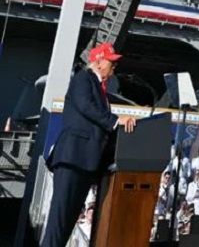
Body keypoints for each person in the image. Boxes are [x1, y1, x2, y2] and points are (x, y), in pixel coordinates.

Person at [41, 42, 136, 247]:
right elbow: (86, 106)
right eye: (111, 62)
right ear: (99, 62)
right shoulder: (83, 79)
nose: (114, 67)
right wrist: (115, 121)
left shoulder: (101, 90)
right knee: (59, 220)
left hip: (86, 162)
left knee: (68, 222)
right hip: (73, 157)